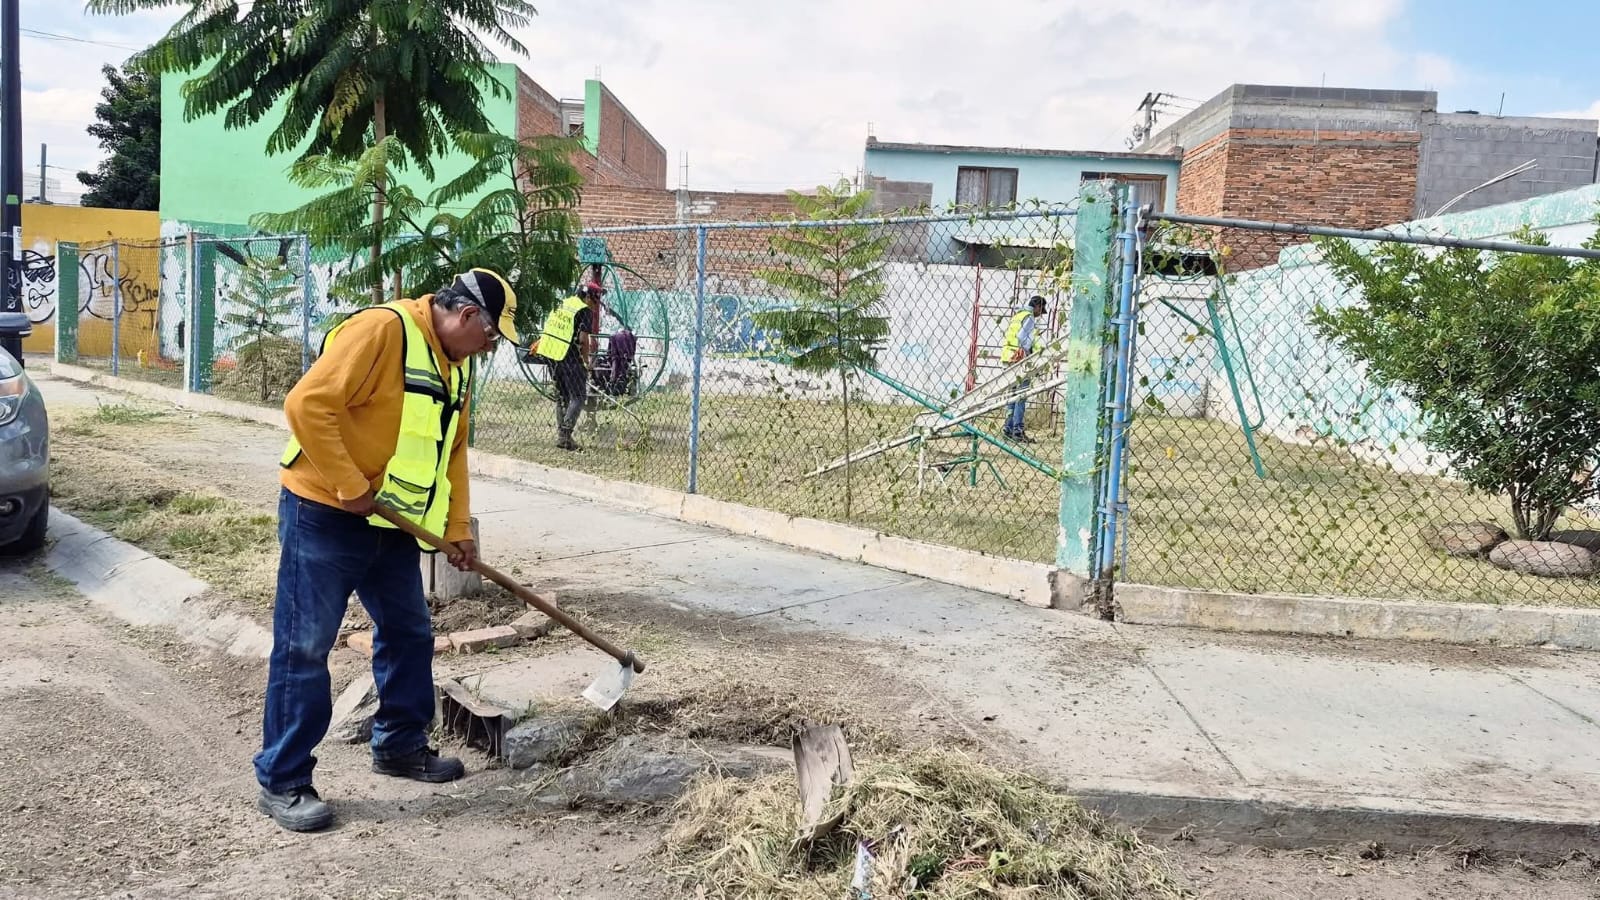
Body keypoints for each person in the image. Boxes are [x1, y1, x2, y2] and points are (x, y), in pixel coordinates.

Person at [253, 268, 518, 833]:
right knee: (305, 646)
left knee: (409, 633)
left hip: (391, 521)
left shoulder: (457, 365)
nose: (489, 347)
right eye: (491, 335)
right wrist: (348, 483)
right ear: (468, 315)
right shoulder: (382, 330)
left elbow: (453, 451)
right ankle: (284, 779)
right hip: (324, 511)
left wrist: (457, 529)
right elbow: (306, 405)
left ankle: (399, 744)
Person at [537, 279, 602, 450]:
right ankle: (565, 435)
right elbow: (583, 339)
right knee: (578, 396)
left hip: (551, 354)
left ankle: (562, 436)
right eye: (595, 300)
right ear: (587, 297)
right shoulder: (584, 310)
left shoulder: (563, 303)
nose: (596, 305)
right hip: (569, 356)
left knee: (562, 396)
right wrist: (586, 362)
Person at [1000, 295, 1048, 443]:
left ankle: (1007, 428)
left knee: (1012, 395)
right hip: (1019, 358)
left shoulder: (1018, 315)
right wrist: (1028, 353)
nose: (1040, 314)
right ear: (1037, 306)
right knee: (1021, 395)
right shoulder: (1029, 317)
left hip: (1008, 356)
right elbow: (1022, 337)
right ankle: (1018, 431)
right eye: (1041, 310)